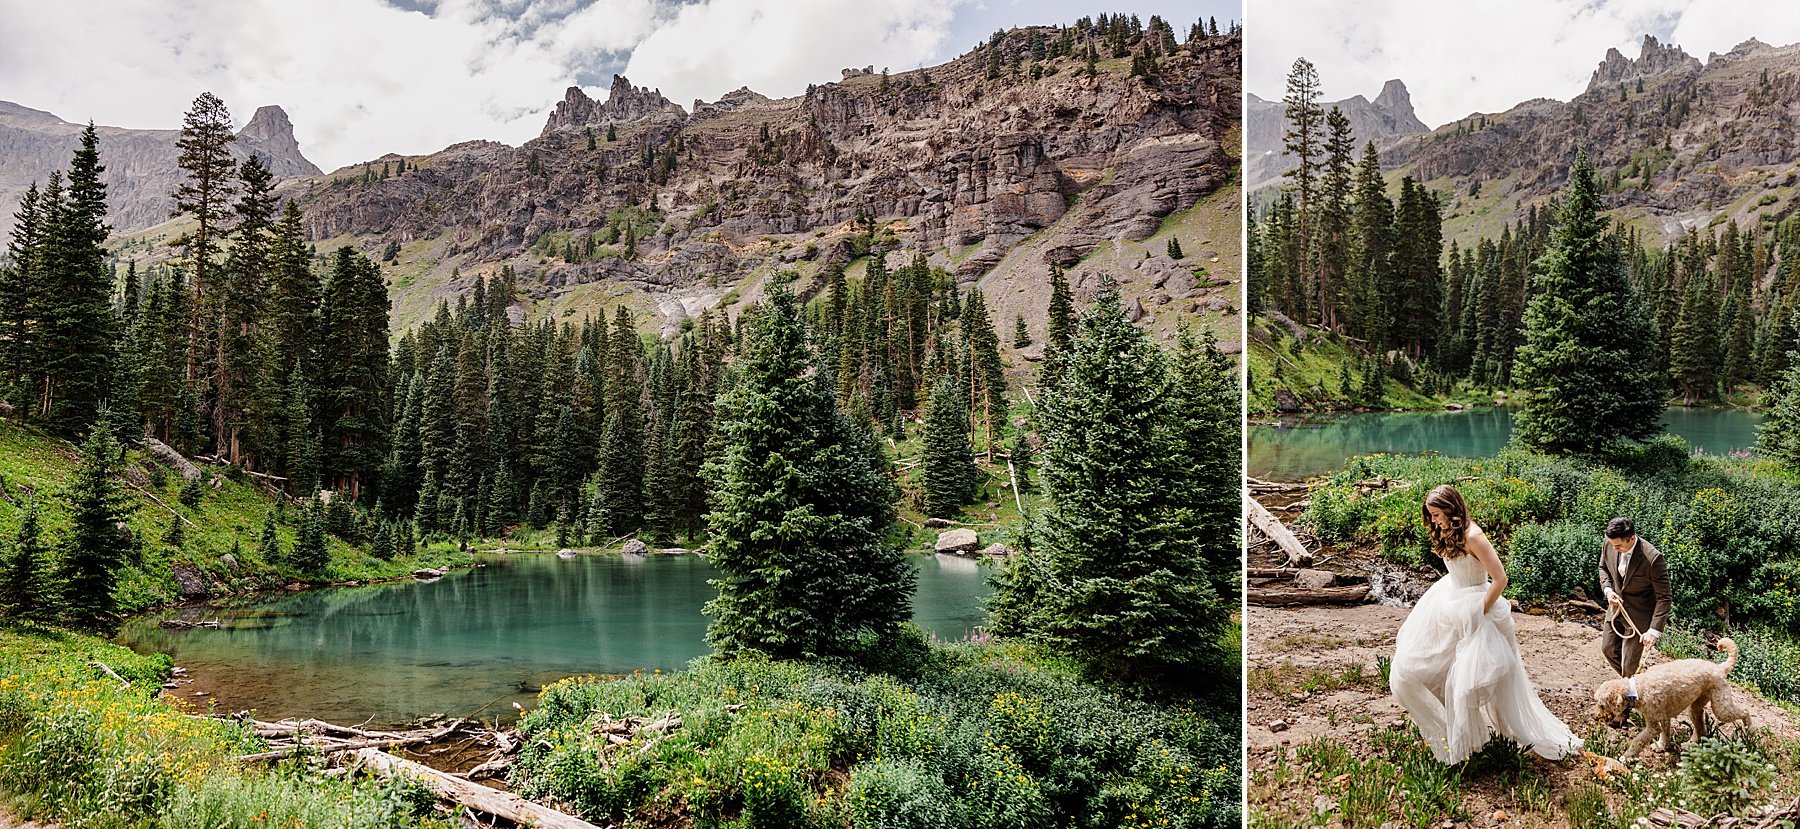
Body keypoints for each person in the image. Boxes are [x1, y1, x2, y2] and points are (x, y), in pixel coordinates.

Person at [1388, 484, 1578, 763]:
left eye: (1438, 514)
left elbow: (1500, 579)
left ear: (1452, 509)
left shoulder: (1474, 536)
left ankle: (1475, 746)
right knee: (1414, 670)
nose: (1435, 521)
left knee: (1468, 682)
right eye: (1432, 516)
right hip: (1449, 602)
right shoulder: (1447, 531)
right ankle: (1454, 735)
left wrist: (1479, 611)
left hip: (1477, 607)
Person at [1597, 516, 1672, 678]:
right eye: (1612, 544)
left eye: (1619, 546)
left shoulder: (1653, 558)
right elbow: (1602, 567)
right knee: (1607, 649)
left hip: (1640, 615)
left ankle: (1630, 695)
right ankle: (1636, 683)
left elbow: (1664, 597)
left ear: (1631, 538)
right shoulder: (1610, 543)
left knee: (1628, 664)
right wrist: (1608, 591)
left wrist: (1654, 631)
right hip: (1616, 609)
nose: (1614, 548)